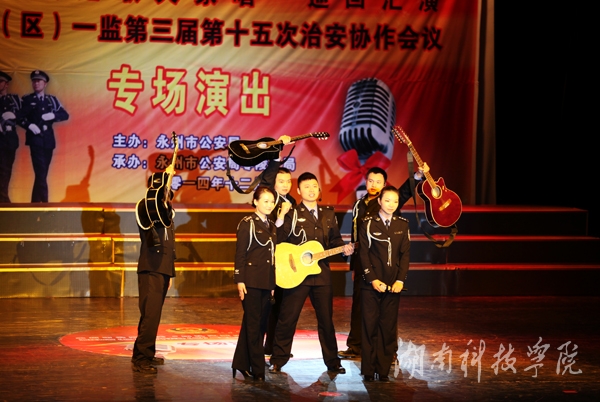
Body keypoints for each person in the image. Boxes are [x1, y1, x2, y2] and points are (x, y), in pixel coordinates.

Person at [269, 172, 354, 374]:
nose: (311, 190)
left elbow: (334, 241)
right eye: (306, 187)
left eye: (314, 186)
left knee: (326, 321)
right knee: (288, 318)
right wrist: (280, 217)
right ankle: (278, 359)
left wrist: (344, 249)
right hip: (297, 275)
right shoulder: (292, 213)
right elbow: (279, 239)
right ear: (298, 191)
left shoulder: (328, 214)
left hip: (321, 274)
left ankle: (333, 362)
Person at [339, 165, 427, 359]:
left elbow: (403, 193)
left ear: (384, 185)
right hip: (362, 262)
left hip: (382, 263)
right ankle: (356, 346)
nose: (374, 185)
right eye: (371, 181)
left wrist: (417, 176)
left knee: (385, 313)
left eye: (378, 182)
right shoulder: (359, 204)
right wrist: (354, 265)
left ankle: (388, 352)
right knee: (358, 306)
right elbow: (355, 236)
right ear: (366, 181)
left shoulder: (385, 203)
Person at [358, 185, 410, 382]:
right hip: (371, 284)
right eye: (387, 200)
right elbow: (363, 254)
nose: (391, 204)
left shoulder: (402, 225)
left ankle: (383, 370)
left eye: (395, 201)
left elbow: (405, 255)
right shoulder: (368, 223)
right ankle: (368, 370)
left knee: (388, 328)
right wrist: (372, 279)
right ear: (379, 201)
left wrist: (400, 280)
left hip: (393, 285)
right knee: (369, 326)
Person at [131, 174, 177, 374]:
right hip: (151, 268)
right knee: (150, 315)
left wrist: (170, 272)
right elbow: (156, 205)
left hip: (162, 269)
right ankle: (141, 358)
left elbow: (170, 245)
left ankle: (145, 353)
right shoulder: (146, 207)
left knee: (153, 315)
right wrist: (165, 178)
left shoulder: (167, 211)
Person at [232, 186, 278, 382]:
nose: (269, 205)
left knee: (258, 325)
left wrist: (273, 283)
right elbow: (240, 254)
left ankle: (240, 363)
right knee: (253, 325)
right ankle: (258, 369)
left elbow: (272, 257)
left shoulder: (272, 225)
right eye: (265, 201)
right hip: (250, 281)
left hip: (266, 281)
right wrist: (239, 279)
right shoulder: (247, 223)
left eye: (272, 201)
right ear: (256, 202)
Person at [258, 136, 296, 356]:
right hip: (269, 259)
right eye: (281, 181)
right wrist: (277, 152)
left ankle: (274, 346)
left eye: (288, 181)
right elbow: (266, 179)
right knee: (267, 306)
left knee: (282, 306)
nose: (285, 185)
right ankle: (261, 346)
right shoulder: (269, 200)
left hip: (288, 261)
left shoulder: (292, 202)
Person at [17, 70, 69, 202]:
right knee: (40, 172)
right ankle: (45, 203)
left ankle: (35, 203)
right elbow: (18, 117)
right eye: (34, 81)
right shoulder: (27, 99)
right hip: (35, 140)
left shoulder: (51, 100)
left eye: (39, 81)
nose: (36, 83)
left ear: (45, 84)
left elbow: (65, 115)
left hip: (48, 141)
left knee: (42, 173)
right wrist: (29, 125)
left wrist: (53, 115)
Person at [0, 71, 21, 203]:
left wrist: (14, 116)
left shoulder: (14, 99)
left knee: (6, 170)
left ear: (6, 84)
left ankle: (3, 197)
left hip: (9, 139)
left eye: (0, 82)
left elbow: (23, 114)